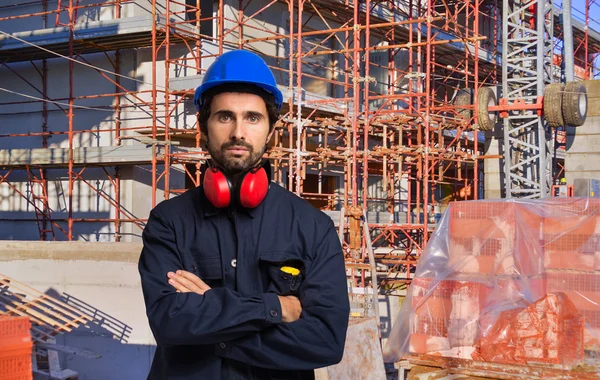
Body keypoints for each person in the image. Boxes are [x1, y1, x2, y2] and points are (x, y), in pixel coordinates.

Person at [138, 49, 350, 379]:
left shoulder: (312, 227)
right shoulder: (168, 221)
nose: (238, 132)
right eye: (225, 117)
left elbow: (325, 340)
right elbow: (168, 322)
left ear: (270, 130)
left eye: (252, 117)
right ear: (203, 127)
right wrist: (277, 307)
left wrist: (210, 321)